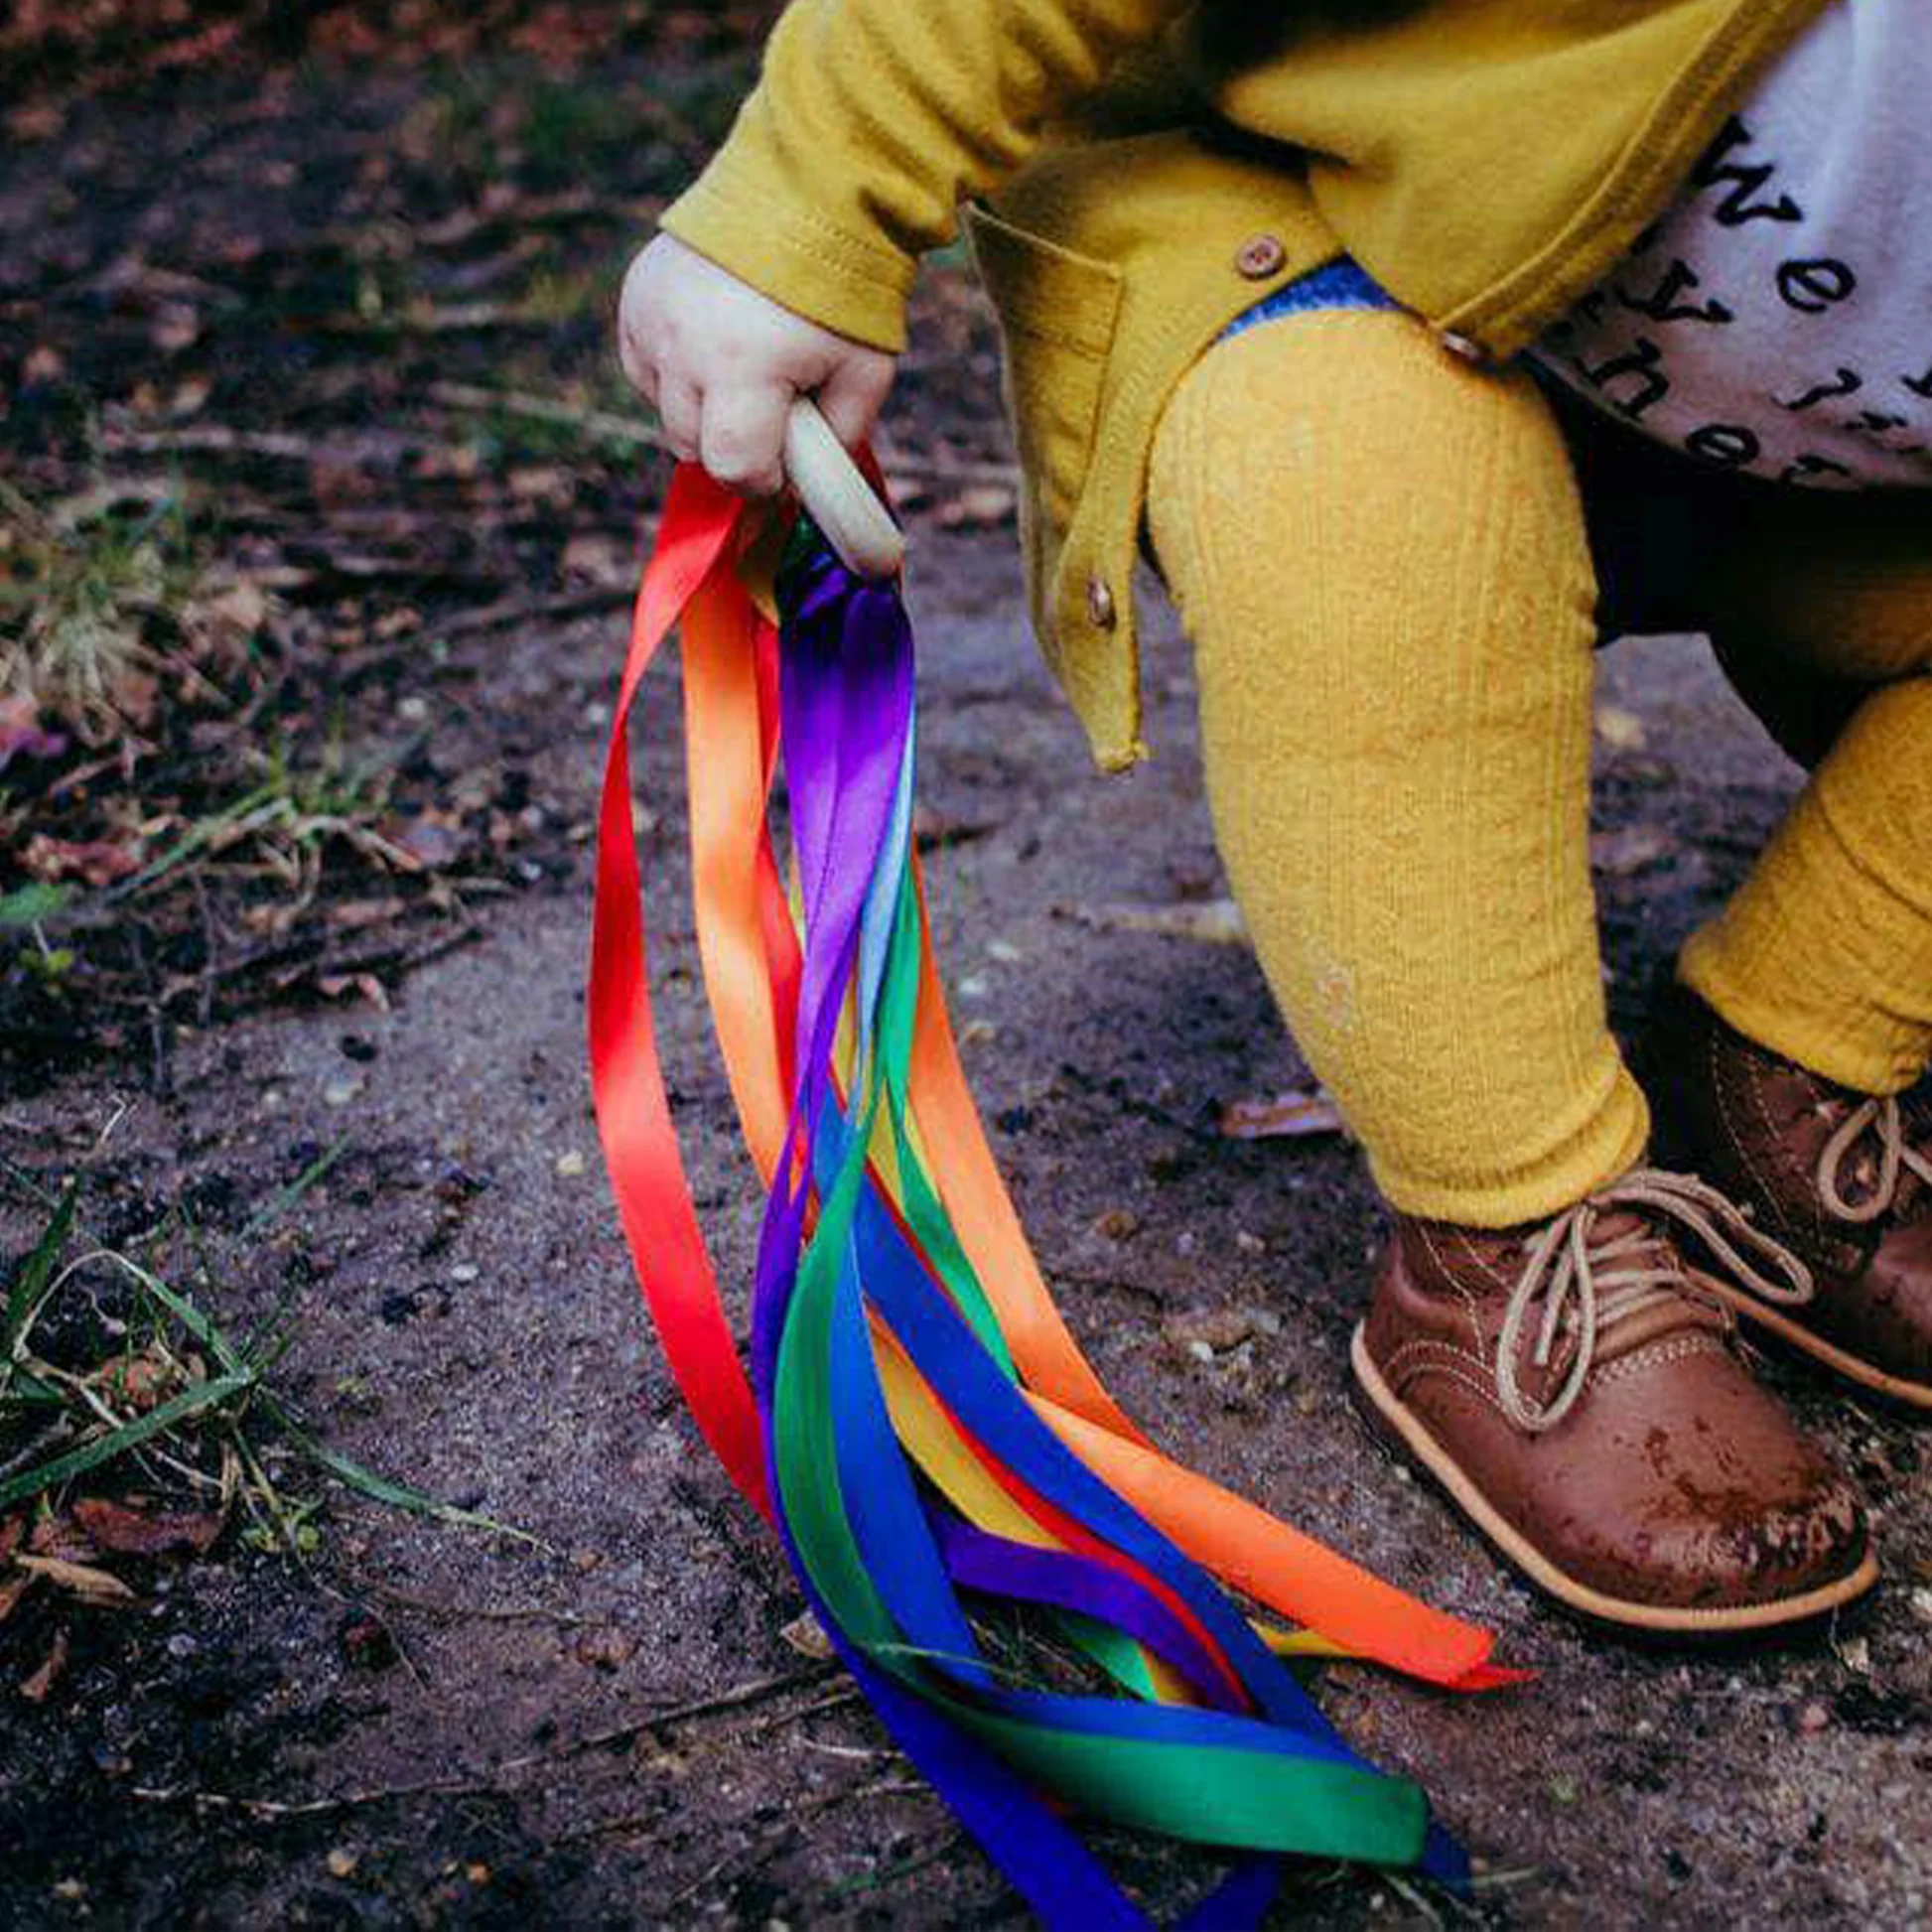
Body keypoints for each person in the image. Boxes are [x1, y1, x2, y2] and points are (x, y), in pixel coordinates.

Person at [616, 0, 1932, 1632]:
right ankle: (1505, 1229)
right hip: (1318, 233)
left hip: (1824, 458)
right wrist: (807, 198)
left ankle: (1778, 1064)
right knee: (1366, 506)